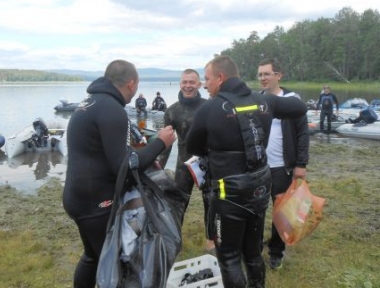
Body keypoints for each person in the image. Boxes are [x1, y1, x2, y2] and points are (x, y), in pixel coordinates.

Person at [186, 55, 307, 288]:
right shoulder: (264, 101)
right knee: (252, 252)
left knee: (229, 257)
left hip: (228, 193)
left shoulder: (208, 109)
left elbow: (193, 148)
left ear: (221, 78)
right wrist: (269, 103)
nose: (204, 84)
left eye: (207, 78)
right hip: (258, 189)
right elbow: (299, 107)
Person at [62, 59, 176, 288]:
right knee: (111, 262)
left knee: (93, 256)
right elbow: (122, 167)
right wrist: (159, 144)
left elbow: (108, 150)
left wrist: (143, 154)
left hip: (78, 197)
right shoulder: (113, 110)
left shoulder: (91, 103)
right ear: (132, 83)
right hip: (96, 203)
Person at [258, 58, 310, 270]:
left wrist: (301, 164)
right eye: (260, 74)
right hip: (258, 168)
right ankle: (254, 247)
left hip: (282, 167)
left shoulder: (291, 100)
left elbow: (303, 134)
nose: (262, 78)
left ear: (279, 75)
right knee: (256, 210)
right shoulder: (256, 100)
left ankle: (276, 253)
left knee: (281, 212)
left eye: (266, 74)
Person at [163, 68, 214, 252]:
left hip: (206, 162)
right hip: (184, 164)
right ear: (180, 84)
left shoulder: (209, 106)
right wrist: (158, 166)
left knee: (210, 201)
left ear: (199, 84)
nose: (188, 86)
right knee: (178, 202)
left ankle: (211, 241)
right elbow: (166, 143)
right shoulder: (172, 111)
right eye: (185, 82)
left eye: (192, 82)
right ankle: (174, 240)